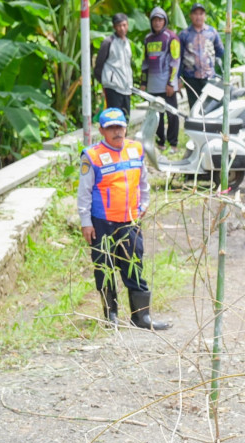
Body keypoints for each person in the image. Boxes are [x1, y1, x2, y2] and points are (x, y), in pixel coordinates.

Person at [78, 109, 170, 331]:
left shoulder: (135, 150)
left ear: (125, 128)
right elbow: (84, 191)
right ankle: (111, 316)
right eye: (111, 128)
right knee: (105, 268)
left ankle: (141, 317)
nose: (116, 132)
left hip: (130, 222)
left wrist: (144, 205)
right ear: (101, 131)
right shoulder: (92, 156)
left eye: (119, 127)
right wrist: (85, 222)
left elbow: (143, 181)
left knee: (133, 267)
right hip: (102, 224)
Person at [143, 8, 181, 149]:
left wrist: (171, 83)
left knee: (172, 114)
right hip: (153, 85)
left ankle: (173, 143)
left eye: (160, 20)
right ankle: (160, 142)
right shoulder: (147, 39)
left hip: (167, 85)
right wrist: (143, 82)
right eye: (154, 20)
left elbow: (175, 61)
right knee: (156, 115)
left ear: (164, 21)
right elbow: (145, 62)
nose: (157, 23)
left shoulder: (171, 37)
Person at [178, 3, 224, 110]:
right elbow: (178, 58)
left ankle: (211, 127)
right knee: (195, 107)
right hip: (191, 79)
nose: (198, 16)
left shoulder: (212, 32)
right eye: (195, 14)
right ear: (191, 16)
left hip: (209, 77)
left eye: (201, 14)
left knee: (211, 107)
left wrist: (210, 62)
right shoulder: (184, 34)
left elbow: (220, 51)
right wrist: (178, 79)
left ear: (205, 16)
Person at [93, 13, 133, 117]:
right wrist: (105, 81)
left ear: (128, 25)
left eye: (124, 25)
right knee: (114, 118)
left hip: (126, 88)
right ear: (114, 27)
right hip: (113, 87)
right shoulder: (108, 42)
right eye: (119, 26)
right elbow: (99, 65)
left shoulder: (127, 43)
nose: (122, 28)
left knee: (125, 118)